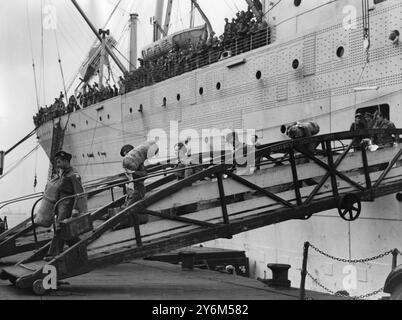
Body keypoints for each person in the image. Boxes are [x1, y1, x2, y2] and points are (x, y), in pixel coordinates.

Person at [45, 151, 87, 259]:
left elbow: (80, 193)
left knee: (59, 227)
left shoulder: (73, 175)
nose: (57, 162)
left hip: (68, 204)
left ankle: (53, 253)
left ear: (66, 161)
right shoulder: (62, 172)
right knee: (66, 229)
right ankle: (79, 249)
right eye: (57, 160)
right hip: (61, 204)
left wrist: (77, 209)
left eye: (60, 161)